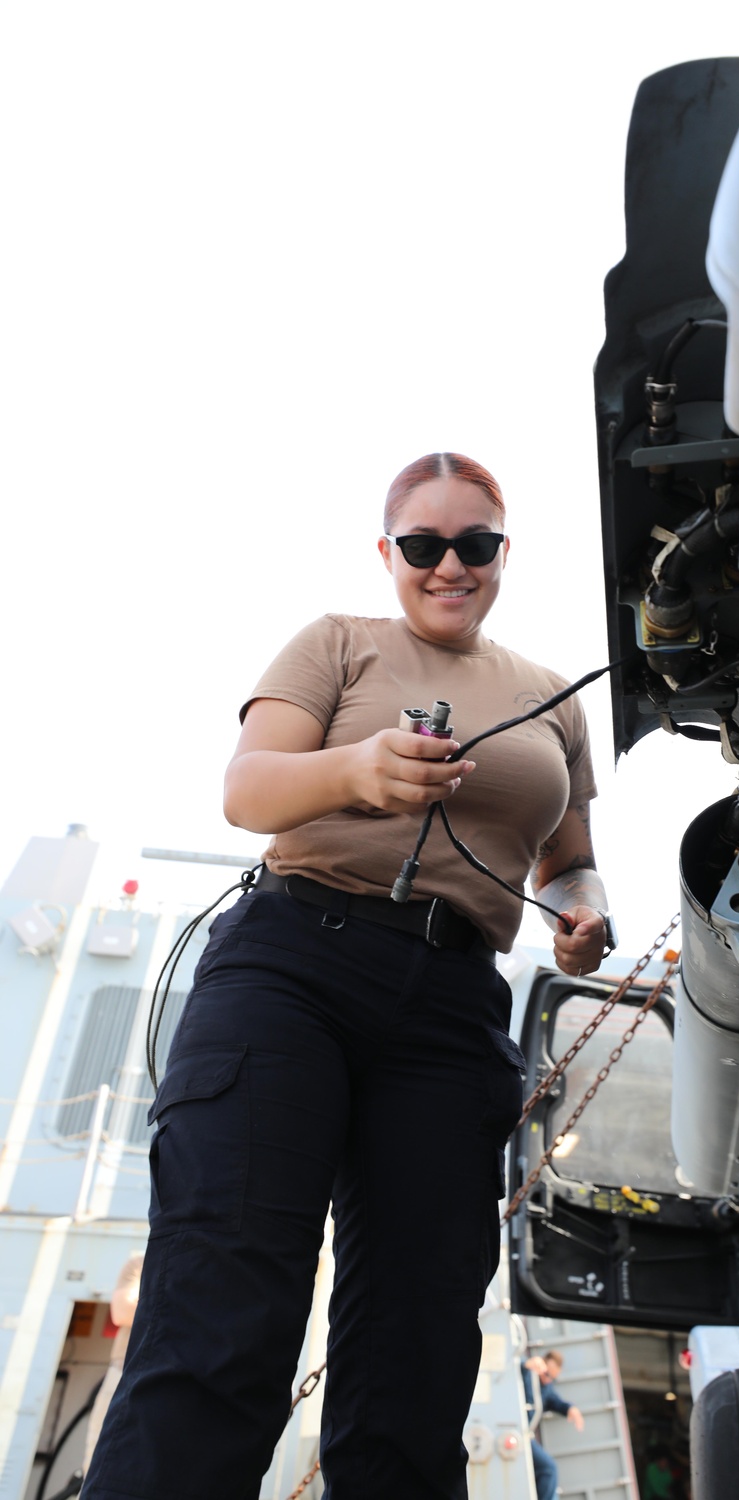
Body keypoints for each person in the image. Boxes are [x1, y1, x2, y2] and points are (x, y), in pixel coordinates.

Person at [82, 453, 612, 1500]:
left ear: (505, 552)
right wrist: (357, 769)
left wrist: (585, 913)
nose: (448, 565)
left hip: (454, 1008)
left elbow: (569, 857)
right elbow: (248, 789)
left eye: (475, 544)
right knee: (225, 1300)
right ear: (389, 553)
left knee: (417, 1340)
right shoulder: (337, 643)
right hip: (293, 969)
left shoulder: (552, 695)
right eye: (423, 545)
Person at [81, 1253, 144, 1475]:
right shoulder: (140, 1262)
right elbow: (122, 1312)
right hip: (123, 1371)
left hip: (171, 1375)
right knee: (100, 1457)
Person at [522, 1350, 585, 1500]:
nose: (548, 1380)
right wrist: (525, 1365)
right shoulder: (527, 1372)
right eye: (547, 1374)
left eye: (552, 1378)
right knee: (548, 1468)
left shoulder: (546, 1387)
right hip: (516, 1430)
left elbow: (555, 1401)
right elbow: (511, 1367)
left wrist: (571, 1408)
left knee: (547, 1471)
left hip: (524, 1434)